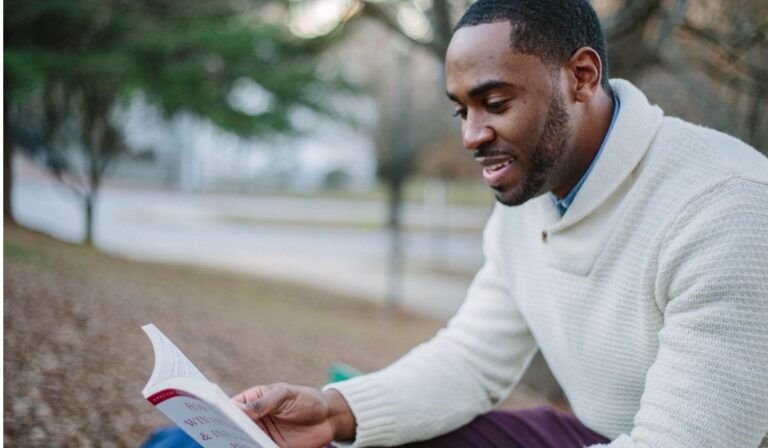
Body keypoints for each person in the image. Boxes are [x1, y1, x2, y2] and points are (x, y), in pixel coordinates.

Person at [233, 0, 768, 446]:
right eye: (462, 111)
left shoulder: (727, 207)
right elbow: (471, 360)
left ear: (581, 77)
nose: (471, 136)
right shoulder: (533, 191)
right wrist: (334, 411)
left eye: (494, 103)